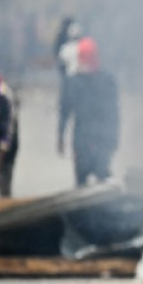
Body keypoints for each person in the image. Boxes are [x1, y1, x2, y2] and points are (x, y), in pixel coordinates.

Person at [58, 37, 120, 187]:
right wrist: (60, 137)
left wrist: (113, 139)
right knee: (83, 178)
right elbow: (65, 111)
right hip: (83, 139)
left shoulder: (106, 81)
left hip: (100, 138)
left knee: (101, 177)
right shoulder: (73, 82)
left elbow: (113, 113)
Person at [0, 73, 17, 197]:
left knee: (4, 191)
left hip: (2, 155)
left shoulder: (3, 97)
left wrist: (0, 158)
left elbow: (7, 131)